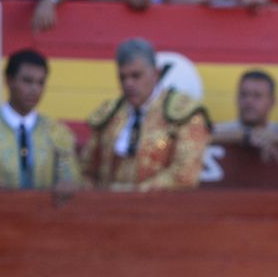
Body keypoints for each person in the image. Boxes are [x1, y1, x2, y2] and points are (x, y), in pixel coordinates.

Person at [83, 38, 211, 190]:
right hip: (108, 203)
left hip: (160, 204)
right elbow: (87, 170)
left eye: (136, 76)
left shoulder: (183, 113)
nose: (128, 84)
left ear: (156, 74)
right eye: (123, 77)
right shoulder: (110, 114)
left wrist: (135, 194)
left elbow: (185, 175)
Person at [0, 47, 81, 195]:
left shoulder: (57, 133)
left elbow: (74, 185)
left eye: (40, 82)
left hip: (44, 211)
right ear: (9, 80)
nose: (34, 89)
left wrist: (68, 186)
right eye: (27, 81)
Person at [211, 69, 278, 162]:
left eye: (257, 95)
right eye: (244, 94)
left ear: (272, 102)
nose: (249, 101)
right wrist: (247, 136)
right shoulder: (219, 130)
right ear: (236, 98)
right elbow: (201, 137)